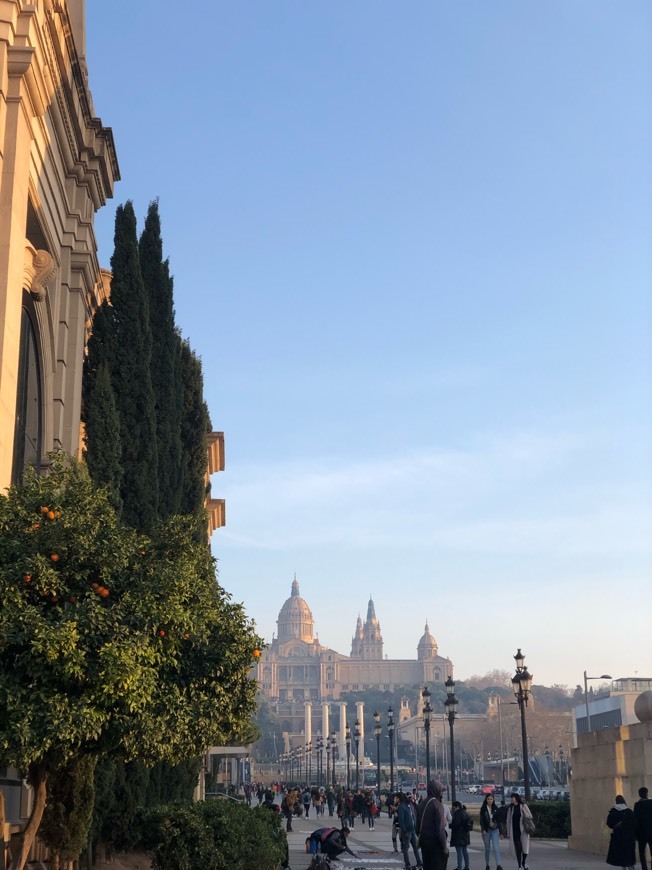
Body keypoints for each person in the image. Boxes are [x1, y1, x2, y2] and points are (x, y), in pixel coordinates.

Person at [416, 780, 450, 870]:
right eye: (441, 791)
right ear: (437, 791)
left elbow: (417, 826)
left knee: (427, 866)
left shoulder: (421, 804)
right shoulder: (437, 805)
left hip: (424, 841)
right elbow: (440, 829)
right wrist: (444, 846)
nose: (442, 794)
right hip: (435, 843)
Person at [606, 795, 636, 870]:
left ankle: (624, 868)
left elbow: (609, 823)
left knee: (622, 855)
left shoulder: (613, 811)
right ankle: (631, 867)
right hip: (629, 836)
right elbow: (634, 823)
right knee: (629, 854)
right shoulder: (629, 811)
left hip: (618, 836)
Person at [505, 792, 534, 869]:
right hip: (514, 831)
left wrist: (525, 813)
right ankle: (519, 866)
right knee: (518, 849)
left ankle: (523, 862)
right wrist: (508, 832)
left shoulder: (523, 806)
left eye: (513, 798)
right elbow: (508, 821)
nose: (511, 799)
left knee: (525, 849)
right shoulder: (510, 808)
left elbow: (530, 816)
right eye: (511, 798)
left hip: (524, 831)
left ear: (517, 798)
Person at [397, 792, 423, 870]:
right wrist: (404, 830)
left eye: (411, 797)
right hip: (407, 831)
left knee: (415, 847)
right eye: (409, 797)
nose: (410, 798)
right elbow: (401, 820)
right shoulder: (402, 807)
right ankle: (407, 863)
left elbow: (414, 816)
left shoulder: (411, 805)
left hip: (413, 830)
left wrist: (416, 828)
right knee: (406, 848)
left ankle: (419, 861)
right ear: (405, 798)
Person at [480, 791, 503, 870]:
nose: (490, 800)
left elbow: (499, 821)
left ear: (493, 800)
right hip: (486, 830)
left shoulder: (496, 808)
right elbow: (482, 820)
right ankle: (487, 864)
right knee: (487, 848)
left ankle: (498, 865)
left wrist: (501, 832)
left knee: (496, 848)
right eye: (488, 799)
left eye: (491, 799)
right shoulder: (483, 809)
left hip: (495, 830)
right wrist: (483, 829)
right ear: (486, 799)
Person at [634, 787, 652, 870]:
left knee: (642, 853)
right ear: (647, 793)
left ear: (639, 795)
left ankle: (644, 868)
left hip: (641, 833)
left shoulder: (637, 805)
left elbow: (635, 820)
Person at [450, 800, 471, 870]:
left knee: (459, 852)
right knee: (465, 851)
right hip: (465, 835)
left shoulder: (457, 814)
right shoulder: (465, 812)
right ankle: (467, 867)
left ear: (457, 807)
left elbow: (456, 825)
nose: (453, 809)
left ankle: (459, 867)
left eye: (454, 808)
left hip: (458, 835)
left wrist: (450, 825)